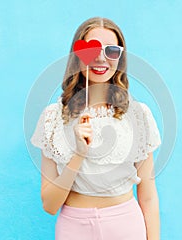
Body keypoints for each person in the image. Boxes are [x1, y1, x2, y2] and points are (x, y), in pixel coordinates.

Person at [30, 17, 162, 240]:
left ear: (120, 58)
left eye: (112, 51)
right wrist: (79, 153)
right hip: (73, 228)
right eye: (92, 48)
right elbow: (50, 206)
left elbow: (148, 197)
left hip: (126, 226)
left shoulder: (139, 116)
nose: (101, 58)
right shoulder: (53, 118)